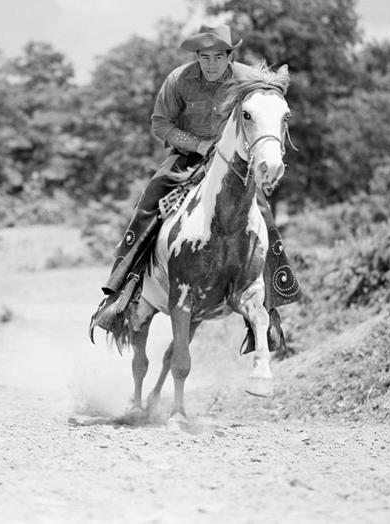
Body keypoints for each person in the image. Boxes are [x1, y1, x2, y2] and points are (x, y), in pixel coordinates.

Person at [92, 24, 300, 343]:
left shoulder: (246, 79)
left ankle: (270, 308)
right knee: (149, 202)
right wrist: (198, 145)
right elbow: (160, 123)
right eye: (205, 57)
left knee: (264, 215)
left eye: (218, 56)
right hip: (187, 157)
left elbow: (267, 105)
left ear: (230, 55)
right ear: (197, 56)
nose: (211, 63)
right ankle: (121, 291)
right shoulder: (178, 79)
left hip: (231, 163)